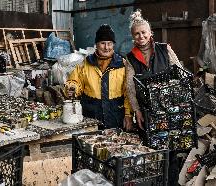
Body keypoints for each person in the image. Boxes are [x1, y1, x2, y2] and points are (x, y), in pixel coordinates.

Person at [125, 9, 183, 186]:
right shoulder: (129, 58)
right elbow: (130, 88)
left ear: (150, 33)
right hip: (148, 112)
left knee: (172, 149)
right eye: (136, 34)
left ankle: (171, 182)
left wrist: (180, 100)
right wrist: (137, 111)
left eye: (143, 32)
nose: (140, 36)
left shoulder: (165, 49)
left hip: (169, 108)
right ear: (132, 37)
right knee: (153, 152)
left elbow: (179, 71)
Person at [65, 24, 132, 130]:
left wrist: (128, 115)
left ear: (113, 45)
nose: (106, 47)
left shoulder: (122, 64)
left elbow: (128, 92)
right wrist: (72, 88)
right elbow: (74, 81)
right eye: (103, 43)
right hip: (91, 116)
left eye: (110, 43)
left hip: (115, 116)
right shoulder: (85, 63)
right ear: (96, 44)